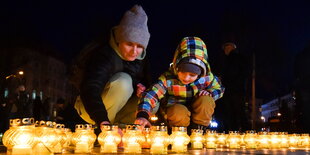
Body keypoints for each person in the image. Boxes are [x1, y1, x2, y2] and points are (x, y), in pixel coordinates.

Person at [74, 4, 151, 128]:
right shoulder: (104, 55)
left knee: (150, 99)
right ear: (119, 39)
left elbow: (133, 76)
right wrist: (102, 120)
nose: (134, 51)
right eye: (129, 44)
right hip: (91, 108)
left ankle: (122, 132)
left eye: (140, 46)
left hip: (117, 108)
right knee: (123, 81)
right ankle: (104, 132)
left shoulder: (140, 59)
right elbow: (90, 88)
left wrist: (138, 87)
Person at [134, 37, 224, 131]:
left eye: (192, 75)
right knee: (178, 111)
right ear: (177, 68)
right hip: (177, 114)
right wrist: (143, 115)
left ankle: (198, 131)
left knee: (206, 100)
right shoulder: (167, 79)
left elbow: (219, 89)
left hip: (197, 113)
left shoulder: (207, 78)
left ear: (199, 74)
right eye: (182, 73)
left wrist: (211, 93)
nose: (186, 78)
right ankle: (180, 133)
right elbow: (151, 94)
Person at [213, 42, 250, 132]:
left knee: (235, 111)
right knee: (236, 111)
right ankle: (243, 131)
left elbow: (232, 73)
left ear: (231, 47)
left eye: (226, 48)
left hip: (233, 89)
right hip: (236, 89)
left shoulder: (232, 59)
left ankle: (239, 131)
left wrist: (224, 80)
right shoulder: (235, 58)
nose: (225, 50)